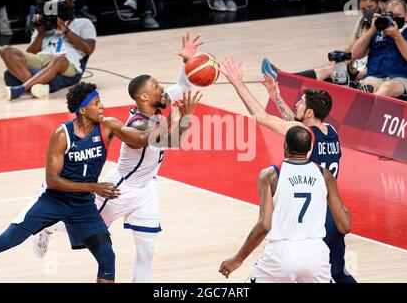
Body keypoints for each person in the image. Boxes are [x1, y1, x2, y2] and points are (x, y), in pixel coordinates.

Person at [0, 81, 199, 282]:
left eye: (101, 101)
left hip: (83, 205)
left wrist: (174, 118)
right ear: (83, 110)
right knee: (7, 240)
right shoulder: (62, 134)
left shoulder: (108, 125)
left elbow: (142, 140)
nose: (102, 106)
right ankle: (46, 228)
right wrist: (94, 187)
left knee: (107, 257)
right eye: (96, 103)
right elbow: (53, 181)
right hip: (53, 200)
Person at [32, 30, 204, 283]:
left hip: (147, 190)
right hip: (121, 189)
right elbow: (173, 140)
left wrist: (186, 62)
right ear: (144, 97)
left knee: (147, 251)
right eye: (156, 86)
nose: (162, 89)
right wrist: (184, 117)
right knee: (77, 226)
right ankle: (46, 226)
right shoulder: (137, 126)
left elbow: (181, 88)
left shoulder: (155, 103)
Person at [221, 56, 357, 283]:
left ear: (310, 113)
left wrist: (238, 83)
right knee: (336, 273)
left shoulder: (306, 135)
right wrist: (277, 98)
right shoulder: (331, 131)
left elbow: (263, 118)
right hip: (333, 213)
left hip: (313, 219)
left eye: (301, 103)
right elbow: (297, 127)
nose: (297, 105)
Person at [219, 126, 351, 282]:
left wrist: (238, 259)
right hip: (316, 254)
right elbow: (345, 226)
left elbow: (264, 225)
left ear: (285, 145)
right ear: (309, 149)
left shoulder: (270, 175)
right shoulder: (325, 175)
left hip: (281, 254)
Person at [262, 0, 383, 83]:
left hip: (368, 68)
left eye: (370, 7)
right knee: (327, 67)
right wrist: (338, 55)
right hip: (355, 62)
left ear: (379, 4)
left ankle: (282, 79)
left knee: (328, 70)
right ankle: (283, 77)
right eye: (363, 8)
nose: (367, 11)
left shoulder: (383, 23)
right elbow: (352, 44)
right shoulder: (362, 20)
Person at [1, 0, 97, 100]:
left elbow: (89, 49)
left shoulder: (83, 23)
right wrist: (40, 34)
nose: (69, 5)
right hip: (41, 58)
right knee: (5, 51)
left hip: (66, 63)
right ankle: (36, 87)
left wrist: (67, 31)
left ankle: (21, 89)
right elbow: (30, 54)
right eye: (64, 3)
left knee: (59, 58)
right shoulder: (45, 23)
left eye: (70, 2)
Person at [351, 0, 407, 102]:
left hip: (406, 80)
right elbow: (355, 54)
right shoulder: (376, 32)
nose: (394, 19)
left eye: (398, 15)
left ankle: (366, 114)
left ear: (406, 15)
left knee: (386, 87)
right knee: (368, 88)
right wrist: (372, 30)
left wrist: (397, 36)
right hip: (376, 77)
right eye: (389, 15)